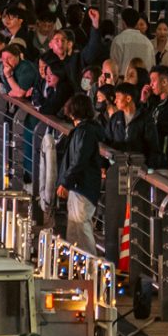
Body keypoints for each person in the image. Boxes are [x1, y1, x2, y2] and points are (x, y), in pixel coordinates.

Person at [57, 95, 105, 250]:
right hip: (79, 185)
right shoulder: (86, 130)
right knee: (74, 227)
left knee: (81, 227)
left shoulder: (84, 132)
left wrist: (66, 182)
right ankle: (76, 265)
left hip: (82, 185)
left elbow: (79, 160)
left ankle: (90, 267)